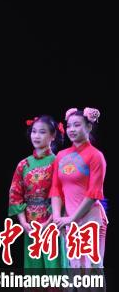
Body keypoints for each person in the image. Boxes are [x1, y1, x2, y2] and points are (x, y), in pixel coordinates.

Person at [51, 107, 107, 268]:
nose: (71, 129)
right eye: (69, 126)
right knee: (75, 268)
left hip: (91, 219)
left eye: (77, 125)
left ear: (89, 127)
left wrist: (71, 219)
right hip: (68, 220)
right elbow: (56, 189)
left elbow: (94, 193)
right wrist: (57, 219)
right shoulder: (61, 156)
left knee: (92, 271)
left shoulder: (96, 155)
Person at [8, 115, 67, 269]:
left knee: (54, 268)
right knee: (34, 270)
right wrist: (23, 223)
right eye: (34, 132)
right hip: (31, 225)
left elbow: (62, 195)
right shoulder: (23, 164)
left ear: (53, 136)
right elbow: (15, 194)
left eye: (42, 132)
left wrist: (48, 223)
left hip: (52, 223)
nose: (36, 136)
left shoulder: (58, 162)